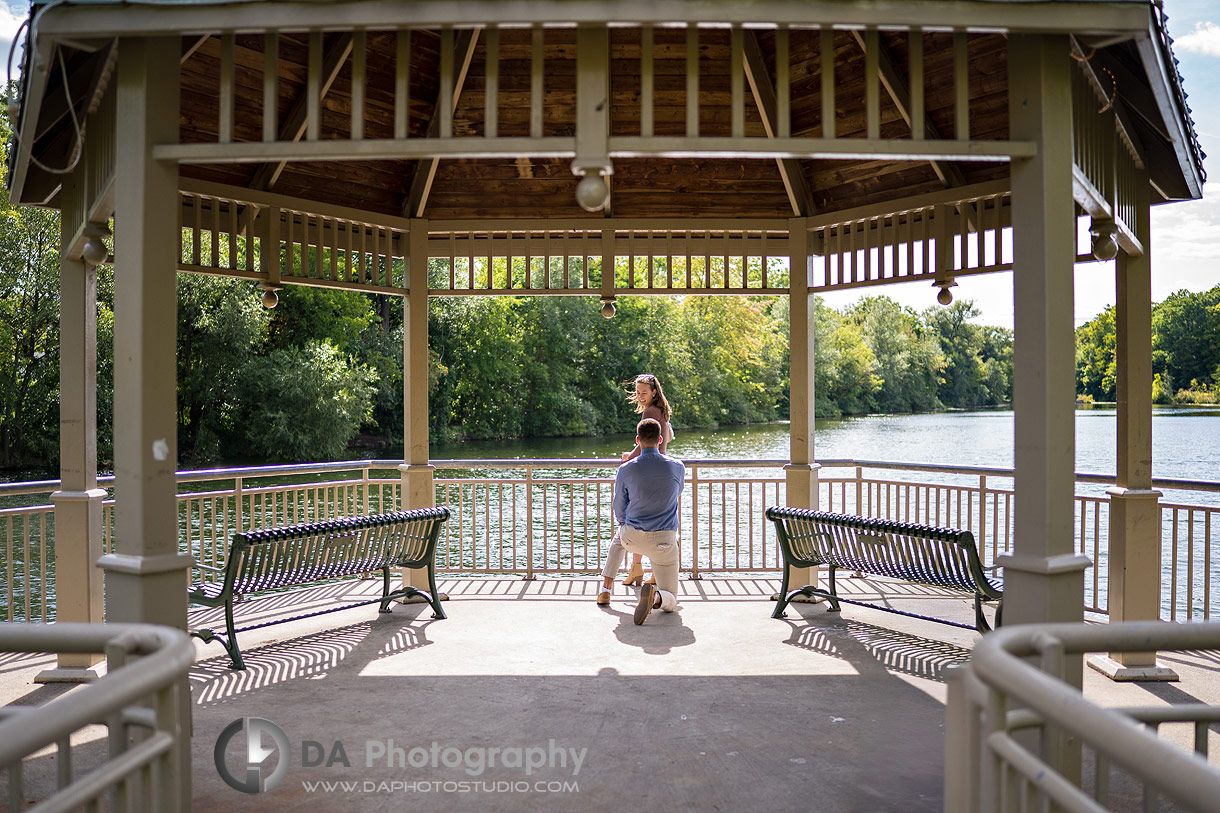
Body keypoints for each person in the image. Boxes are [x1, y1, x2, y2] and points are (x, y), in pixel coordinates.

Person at [595, 418, 685, 625]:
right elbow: (676, 492)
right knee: (672, 600)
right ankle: (657, 597)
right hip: (664, 540)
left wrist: (627, 523)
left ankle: (605, 590)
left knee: (618, 540)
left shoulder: (626, 469)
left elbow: (618, 505)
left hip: (633, 535)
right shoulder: (677, 467)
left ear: (638, 440)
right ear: (660, 438)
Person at [619, 374, 674, 587]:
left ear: (654, 392)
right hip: (660, 469)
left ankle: (638, 569)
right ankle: (641, 569)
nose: (640, 396)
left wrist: (628, 459)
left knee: (637, 520)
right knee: (652, 521)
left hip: (645, 469)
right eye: (637, 392)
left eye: (644, 392)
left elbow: (644, 443)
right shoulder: (661, 411)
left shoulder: (651, 412)